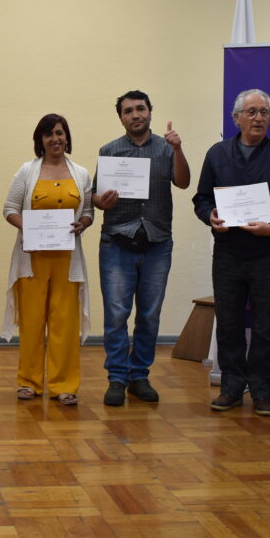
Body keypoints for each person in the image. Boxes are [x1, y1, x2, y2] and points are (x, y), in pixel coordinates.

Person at [192, 89, 270, 416]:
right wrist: (210, 216)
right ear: (236, 118)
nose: (258, 118)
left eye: (264, 112)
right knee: (228, 325)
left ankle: (261, 391)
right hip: (228, 254)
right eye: (251, 112)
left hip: (269, 255)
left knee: (266, 327)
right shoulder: (217, 154)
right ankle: (231, 388)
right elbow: (202, 199)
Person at [93, 90, 190, 406]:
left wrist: (178, 149)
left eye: (140, 108)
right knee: (116, 315)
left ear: (150, 112)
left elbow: (183, 182)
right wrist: (101, 201)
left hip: (157, 243)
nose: (135, 114)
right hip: (117, 242)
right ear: (120, 118)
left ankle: (139, 376)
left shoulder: (166, 147)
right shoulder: (109, 151)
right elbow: (95, 196)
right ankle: (117, 378)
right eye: (128, 111)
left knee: (149, 315)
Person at [2, 114, 94, 405]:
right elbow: (9, 208)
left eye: (60, 133)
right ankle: (28, 382)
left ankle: (64, 385)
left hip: (68, 261)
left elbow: (89, 211)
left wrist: (83, 224)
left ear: (67, 137)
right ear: (40, 140)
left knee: (65, 324)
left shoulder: (81, 174)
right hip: (32, 260)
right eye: (49, 134)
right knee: (31, 322)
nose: (55, 139)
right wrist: (27, 227)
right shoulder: (27, 171)